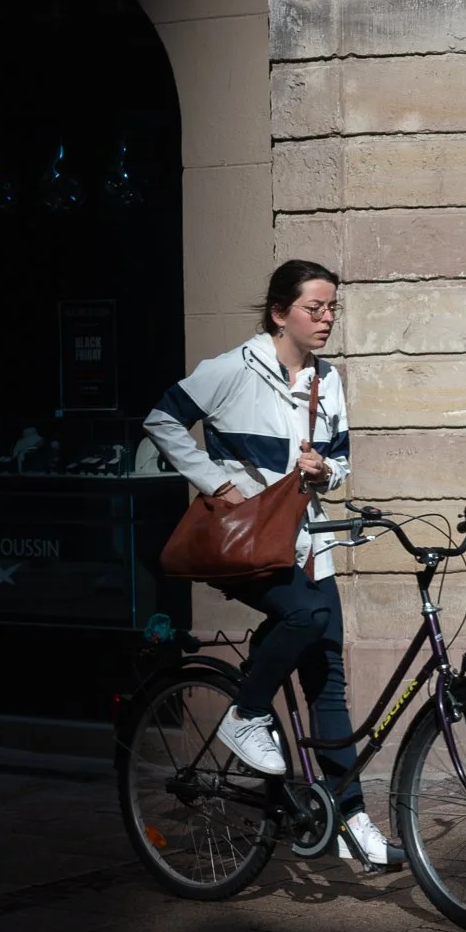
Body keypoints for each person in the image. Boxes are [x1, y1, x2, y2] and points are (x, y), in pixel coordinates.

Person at [144, 259, 405, 868]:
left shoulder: (329, 379)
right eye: (315, 308)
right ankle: (248, 712)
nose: (326, 319)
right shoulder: (234, 369)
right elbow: (162, 420)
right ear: (279, 312)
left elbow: (340, 461)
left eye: (333, 308)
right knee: (307, 618)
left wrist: (325, 471)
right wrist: (216, 483)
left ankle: (350, 817)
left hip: (311, 544)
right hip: (250, 544)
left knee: (329, 683)